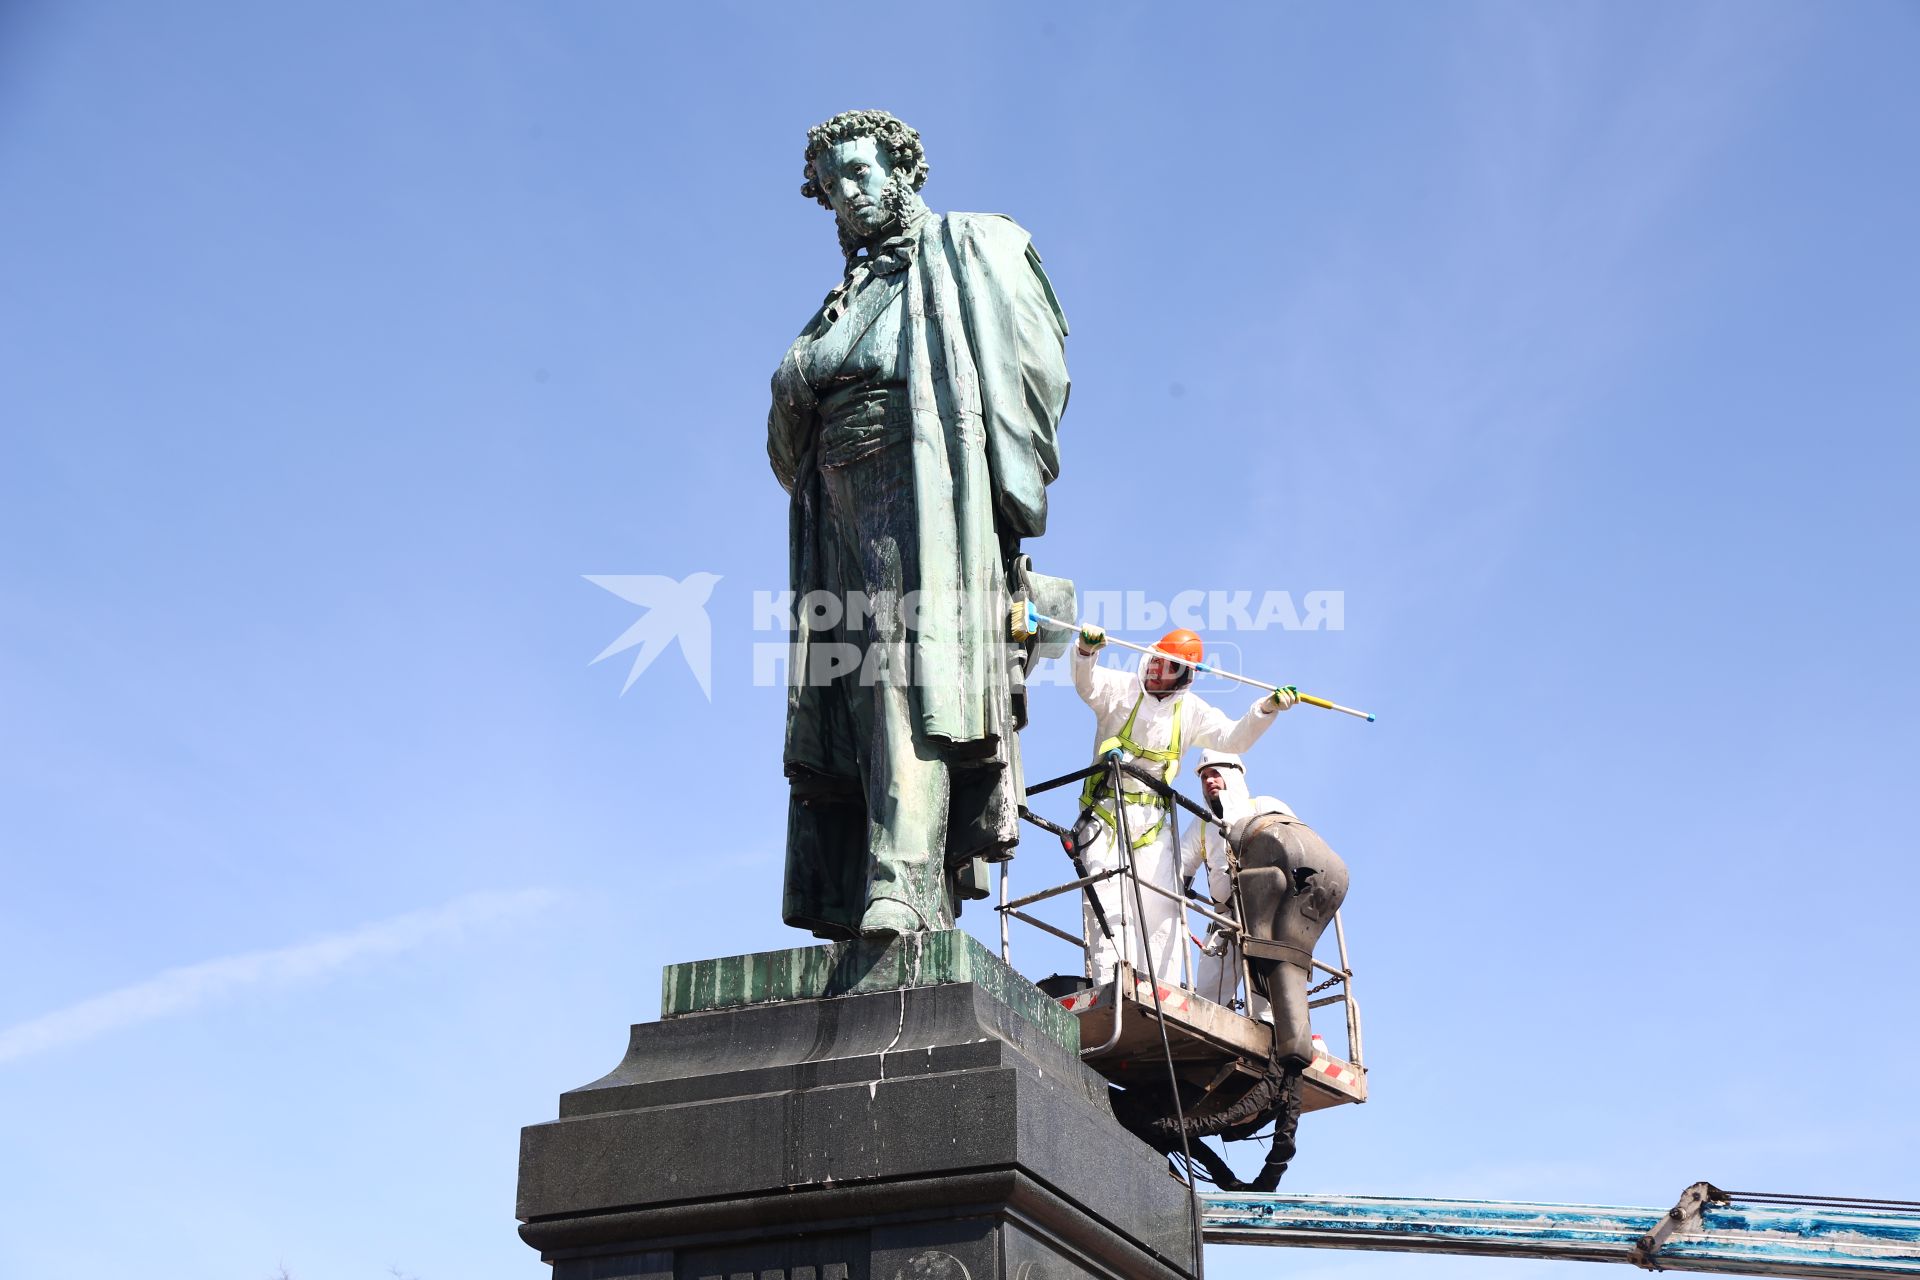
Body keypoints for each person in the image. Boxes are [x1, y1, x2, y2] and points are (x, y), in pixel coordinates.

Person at [767, 110, 1071, 940]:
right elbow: (784, 426)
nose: (848, 197)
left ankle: (899, 879)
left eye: (860, 173)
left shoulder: (976, 245)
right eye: (831, 189)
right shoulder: (840, 303)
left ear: (903, 167)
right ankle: (878, 880)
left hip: (923, 474)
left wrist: (999, 488)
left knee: (913, 673)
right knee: (850, 687)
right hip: (831, 497)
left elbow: (1039, 369)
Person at [1071, 625, 1296, 985]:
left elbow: (1231, 737)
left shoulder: (1189, 711)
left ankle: (1160, 990)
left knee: (1162, 908)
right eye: (1158, 661)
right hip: (1104, 818)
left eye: (1169, 667)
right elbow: (1088, 684)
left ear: (1183, 678)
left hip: (1152, 824)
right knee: (1108, 905)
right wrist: (1085, 650)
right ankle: (1113, 986)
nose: (1158, 671)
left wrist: (1265, 709)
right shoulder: (1122, 689)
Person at [1179, 750, 1268, 1019]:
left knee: (1267, 1009)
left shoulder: (1263, 808)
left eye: (1215, 773)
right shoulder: (1202, 825)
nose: (1209, 781)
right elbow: (1177, 867)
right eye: (1204, 776)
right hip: (1225, 921)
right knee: (1207, 1004)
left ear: (1232, 774)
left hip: (1267, 922)